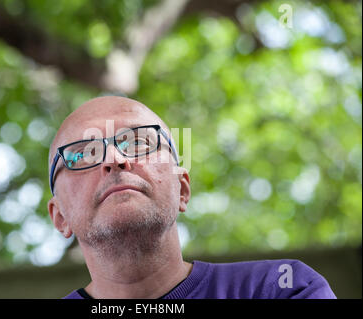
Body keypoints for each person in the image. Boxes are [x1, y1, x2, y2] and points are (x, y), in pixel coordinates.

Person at [47, 95, 336, 299]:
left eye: (138, 142)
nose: (114, 159)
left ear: (182, 189)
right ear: (60, 217)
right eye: (84, 154)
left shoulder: (282, 289)